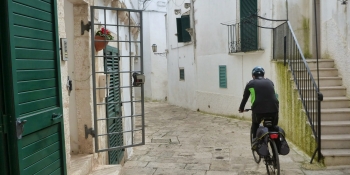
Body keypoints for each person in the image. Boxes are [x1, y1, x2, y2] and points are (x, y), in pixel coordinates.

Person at [238, 66, 279, 139]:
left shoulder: (250, 84)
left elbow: (245, 98)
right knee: (273, 127)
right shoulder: (270, 82)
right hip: (274, 109)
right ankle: (276, 145)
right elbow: (274, 96)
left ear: (253, 76)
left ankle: (255, 141)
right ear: (263, 75)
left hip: (258, 111)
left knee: (255, 125)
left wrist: (241, 109)